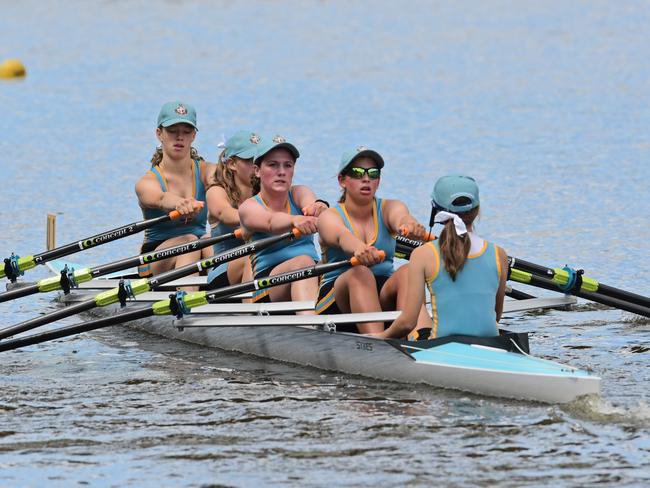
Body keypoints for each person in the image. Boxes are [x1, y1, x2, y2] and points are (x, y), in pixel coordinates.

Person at [376, 174, 508, 340]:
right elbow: (496, 314)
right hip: (491, 342)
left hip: (439, 346)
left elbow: (407, 323)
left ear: (436, 211)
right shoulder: (499, 254)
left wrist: (380, 337)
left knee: (415, 311)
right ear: (477, 210)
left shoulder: (422, 254)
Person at [316, 146, 431, 334]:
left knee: (409, 270)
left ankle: (421, 338)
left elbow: (400, 217)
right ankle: (378, 343)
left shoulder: (389, 207)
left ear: (378, 180)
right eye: (357, 172)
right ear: (342, 180)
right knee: (360, 273)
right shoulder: (329, 216)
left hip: (382, 293)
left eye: (373, 173)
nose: (366, 178)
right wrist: (358, 248)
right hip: (338, 300)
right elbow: (341, 235)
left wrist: (410, 225)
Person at [238, 135, 328, 307]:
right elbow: (271, 221)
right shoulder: (249, 207)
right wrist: (295, 220)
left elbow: (310, 204)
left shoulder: (299, 192)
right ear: (257, 171)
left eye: (288, 165)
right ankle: (310, 327)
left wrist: (320, 207)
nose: (281, 172)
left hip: (310, 272)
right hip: (266, 287)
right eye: (273, 165)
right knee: (303, 262)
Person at [135, 101, 214, 276]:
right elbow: (161, 198)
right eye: (172, 131)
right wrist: (180, 203)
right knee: (189, 242)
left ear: (193, 135)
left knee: (211, 240)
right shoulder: (147, 182)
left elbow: (221, 178)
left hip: (199, 249)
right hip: (155, 260)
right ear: (159, 133)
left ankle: (229, 294)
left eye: (186, 132)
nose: (180, 137)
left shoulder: (206, 170)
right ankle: (187, 298)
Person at [205, 131, 260, 288]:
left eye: (261, 160)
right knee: (252, 257)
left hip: (262, 262)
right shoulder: (217, 191)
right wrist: (266, 221)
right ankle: (252, 309)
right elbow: (225, 214)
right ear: (232, 164)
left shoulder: (267, 191)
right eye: (250, 160)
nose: (257, 166)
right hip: (222, 272)